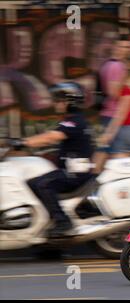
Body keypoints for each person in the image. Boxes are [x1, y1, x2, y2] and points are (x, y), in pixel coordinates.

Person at [25, 82, 94, 237]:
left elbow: (51, 137)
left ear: (71, 102)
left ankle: (63, 222)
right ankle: (48, 221)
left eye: (59, 100)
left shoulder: (75, 121)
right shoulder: (73, 120)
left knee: (44, 184)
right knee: (31, 183)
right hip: (71, 171)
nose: (56, 103)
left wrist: (23, 142)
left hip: (75, 174)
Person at [92, 36, 130, 171]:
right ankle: (90, 183)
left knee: (105, 151)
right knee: (111, 153)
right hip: (113, 115)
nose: (126, 50)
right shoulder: (117, 66)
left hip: (109, 114)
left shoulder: (108, 65)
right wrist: (126, 81)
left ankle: (91, 182)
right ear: (115, 47)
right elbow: (113, 92)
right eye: (122, 46)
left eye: (128, 47)